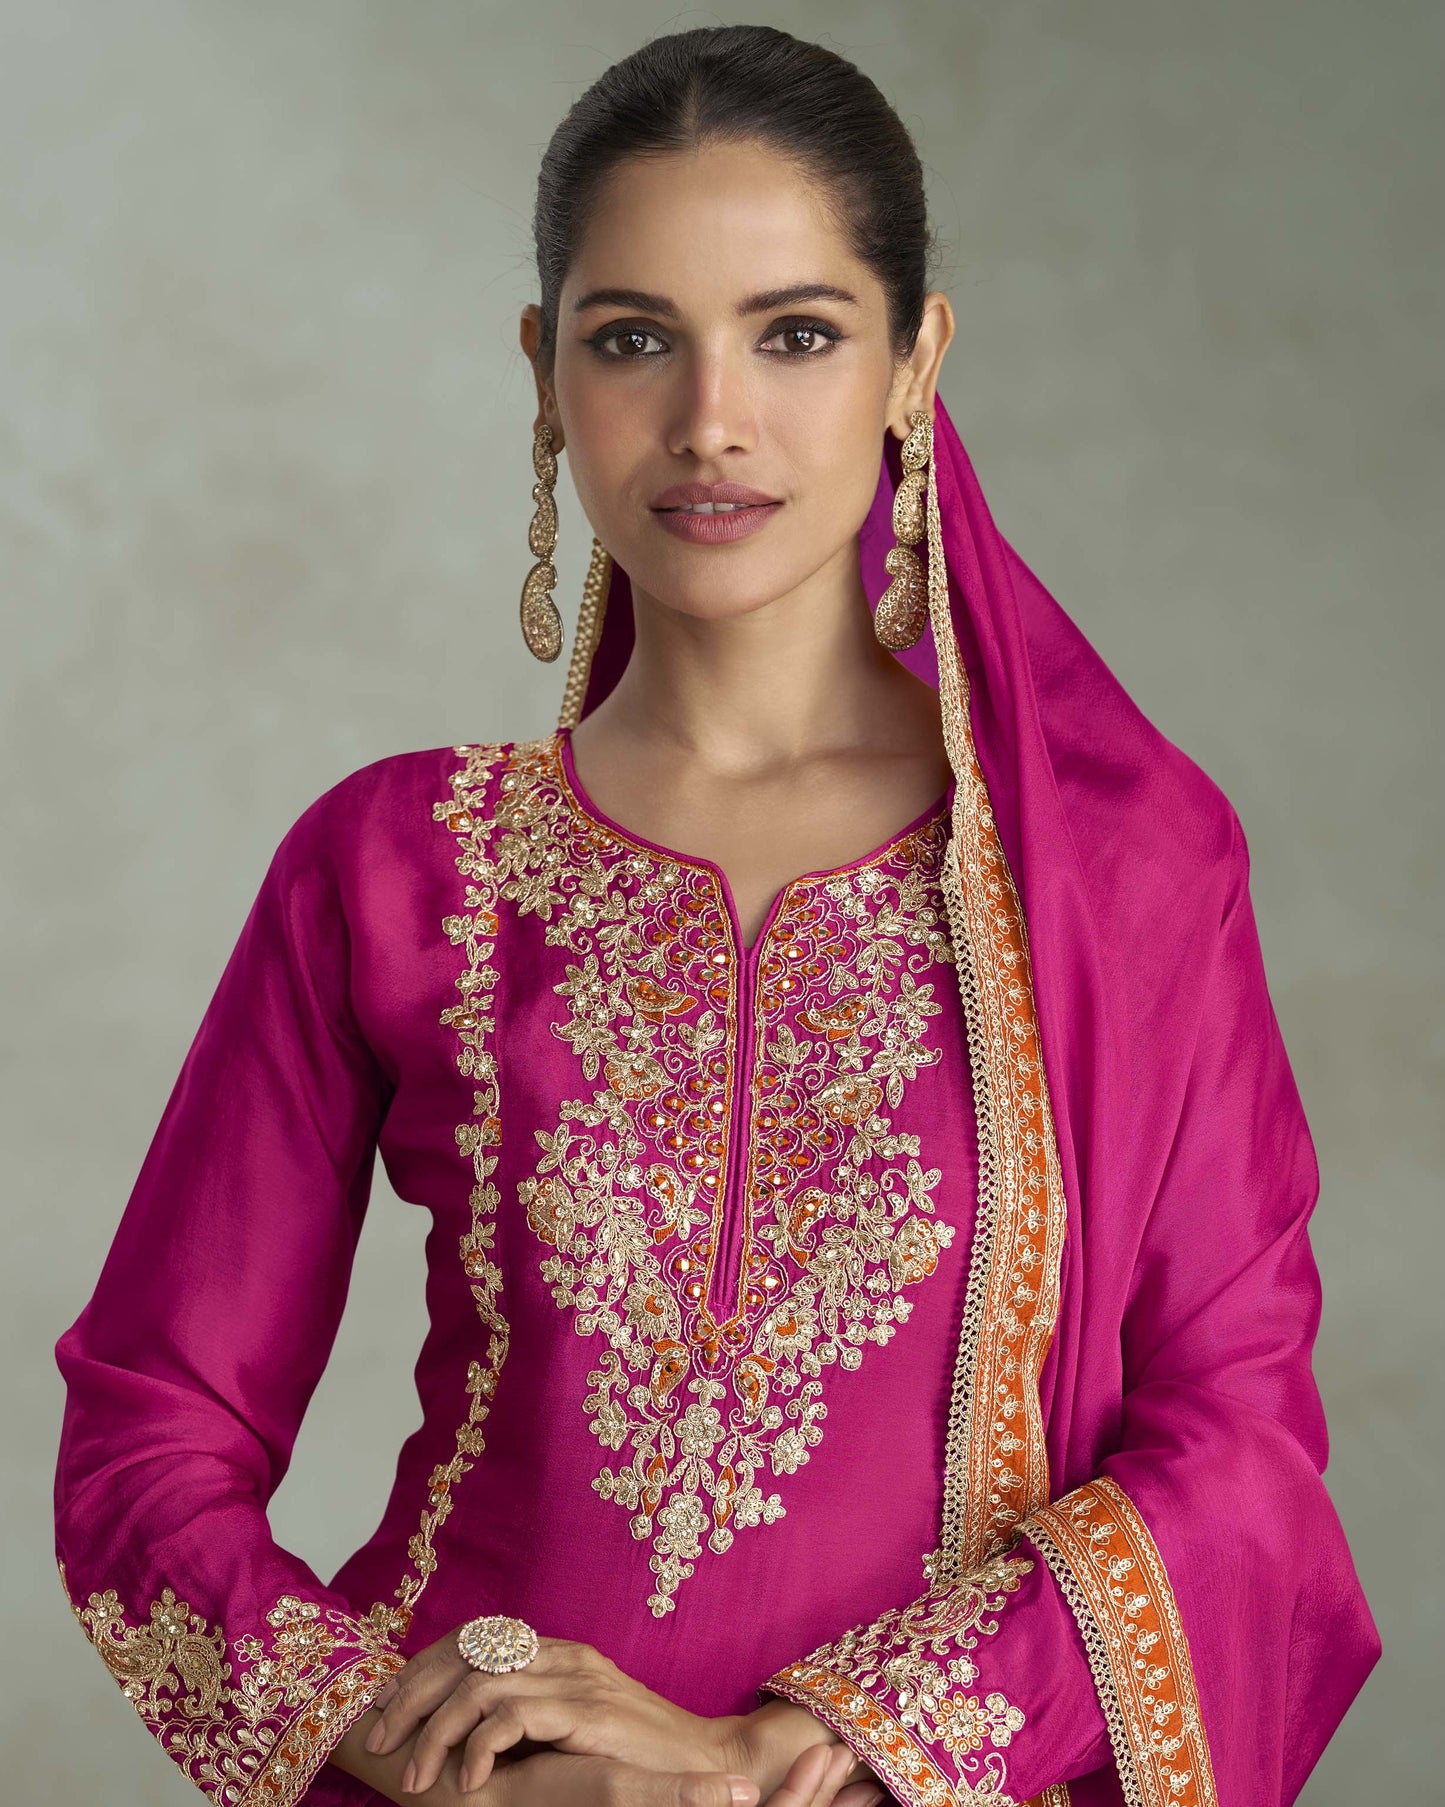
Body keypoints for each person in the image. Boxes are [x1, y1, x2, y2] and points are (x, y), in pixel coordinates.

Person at [51, 23, 1380, 1807]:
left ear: (917, 361)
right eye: (629, 340)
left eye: (797, 334)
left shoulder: (1121, 872)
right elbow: (149, 1435)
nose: (710, 422)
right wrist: (424, 1747)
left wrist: (786, 1754)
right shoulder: (395, 864)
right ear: (542, 371)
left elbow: (1240, 1452)